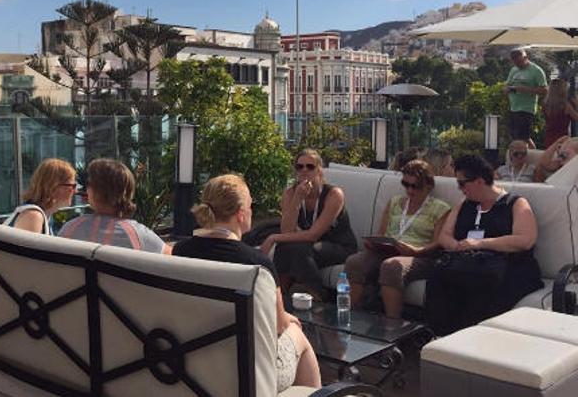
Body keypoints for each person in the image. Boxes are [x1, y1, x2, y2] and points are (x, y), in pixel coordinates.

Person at [174, 174, 321, 390]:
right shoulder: (256, 265)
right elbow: (278, 325)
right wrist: (288, 319)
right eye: (251, 205)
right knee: (296, 332)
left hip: (192, 363)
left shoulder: (180, 253)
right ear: (241, 214)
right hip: (245, 375)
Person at [424, 155, 543, 336]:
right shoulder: (465, 204)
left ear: (479, 181)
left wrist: (480, 244)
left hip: (509, 266)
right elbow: (444, 236)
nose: (460, 189)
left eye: (462, 184)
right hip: (472, 264)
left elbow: (525, 239)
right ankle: (439, 335)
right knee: (439, 275)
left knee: (483, 289)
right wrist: (457, 245)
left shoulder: (515, 204)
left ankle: (466, 341)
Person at [343, 160, 450, 318]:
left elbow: (438, 243)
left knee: (392, 266)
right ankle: (352, 315)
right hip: (389, 249)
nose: (410, 190)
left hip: (419, 255)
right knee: (355, 262)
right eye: (406, 184)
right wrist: (374, 242)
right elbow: (382, 233)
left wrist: (416, 250)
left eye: (415, 186)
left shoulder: (440, 208)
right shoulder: (395, 202)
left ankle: (392, 324)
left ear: (428, 185)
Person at [261, 149, 358, 300]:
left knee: (298, 248)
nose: (304, 170)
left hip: (338, 245)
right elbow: (287, 230)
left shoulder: (333, 194)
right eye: (300, 167)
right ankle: (280, 295)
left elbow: (313, 235)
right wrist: (297, 199)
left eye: (310, 167)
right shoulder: (290, 193)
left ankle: (317, 293)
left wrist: (273, 238)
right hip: (308, 244)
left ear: (319, 170)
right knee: (287, 247)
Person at [59, 158, 169, 253]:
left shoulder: (70, 229)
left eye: (89, 184)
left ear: (95, 192)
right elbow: (173, 260)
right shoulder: (138, 236)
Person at [6, 158, 76, 235]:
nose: (75, 191)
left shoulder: (43, 216)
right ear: (53, 187)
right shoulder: (33, 216)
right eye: (72, 186)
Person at [502, 48, 547, 147]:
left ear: (525, 58)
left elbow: (544, 90)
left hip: (527, 109)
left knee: (523, 138)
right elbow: (506, 85)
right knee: (515, 137)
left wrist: (526, 89)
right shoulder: (514, 70)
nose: (518, 64)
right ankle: (527, 154)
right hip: (514, 108)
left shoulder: (536, 70)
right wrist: (507, 89)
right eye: (515, 62)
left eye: (519, 61)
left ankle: (531, 156)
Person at [542, 78, 578, 148]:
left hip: (549, 137)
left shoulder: (546, 104)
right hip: (562, 138)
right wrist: (576, 105)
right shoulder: (565, 105)